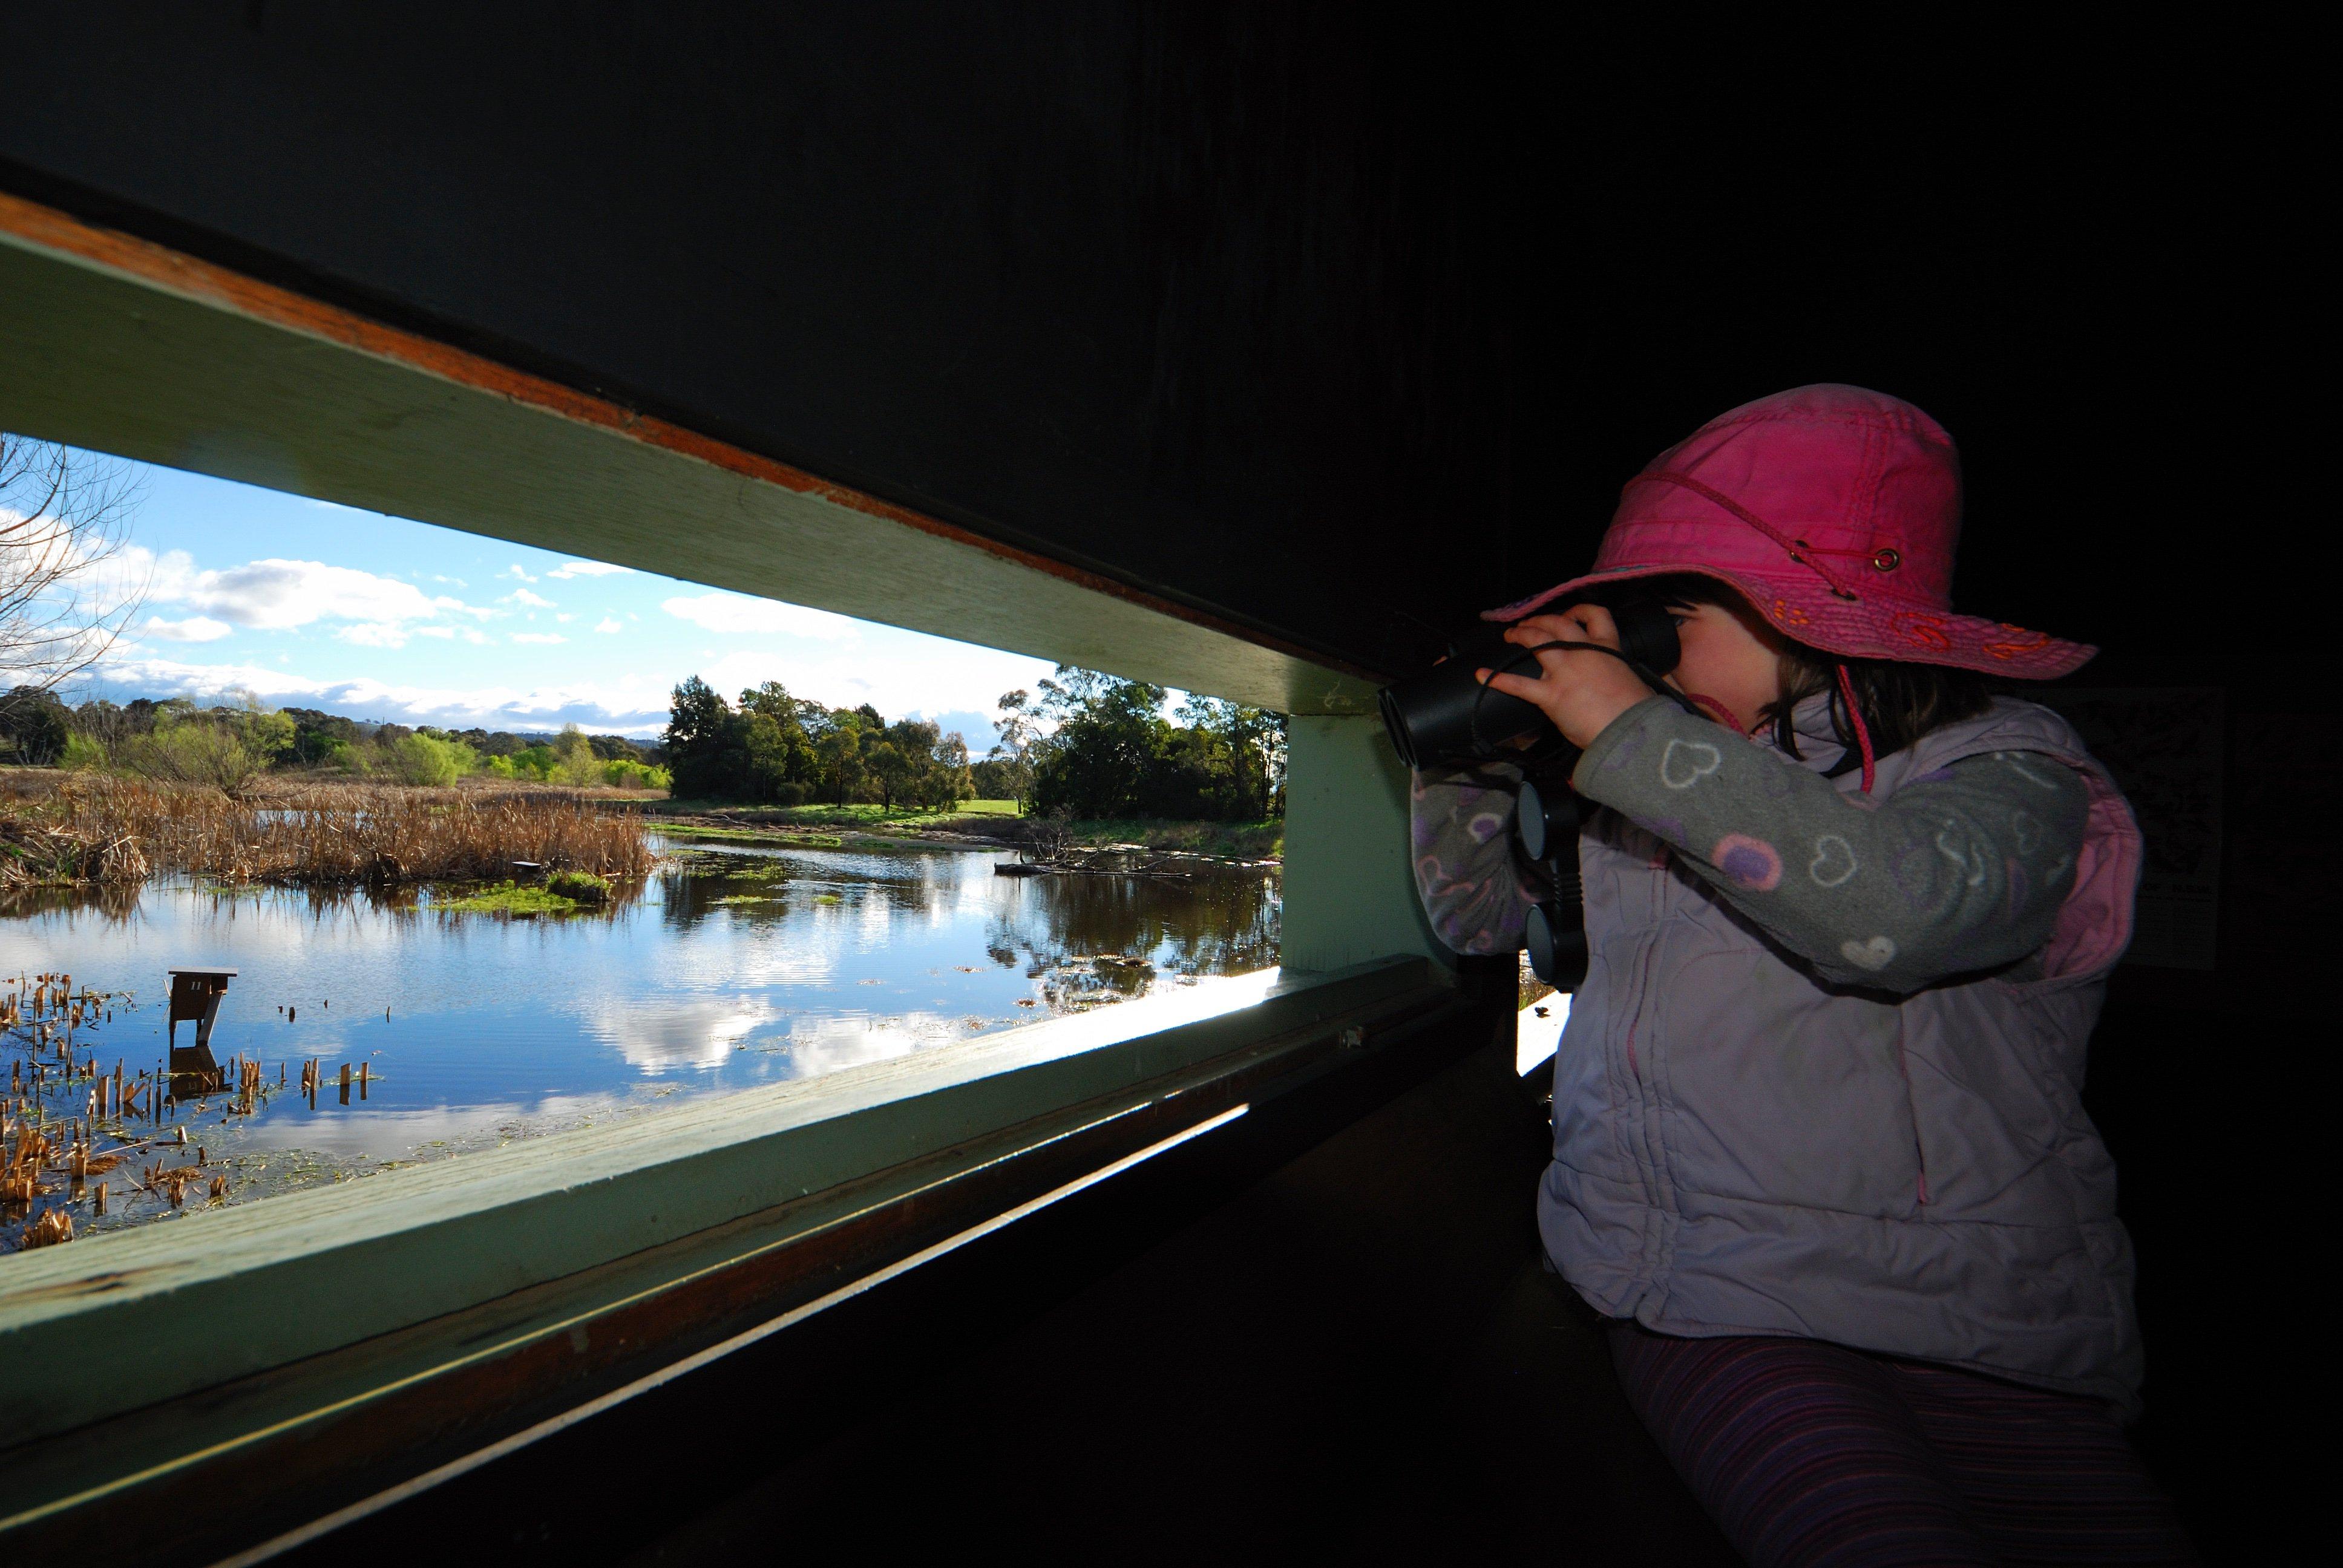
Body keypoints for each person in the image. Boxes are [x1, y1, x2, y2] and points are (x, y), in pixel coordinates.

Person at [1411, 385, 2196, 1564]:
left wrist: (1632, 735)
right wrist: (1477, 760)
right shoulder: (1657, 785)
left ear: (1831, 614)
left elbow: (1894, 916)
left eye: (1676, 617)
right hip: (1713, 1297)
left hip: (1992, 1318)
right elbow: (1477, 923)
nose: (1656, 662)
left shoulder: (2012, 771)